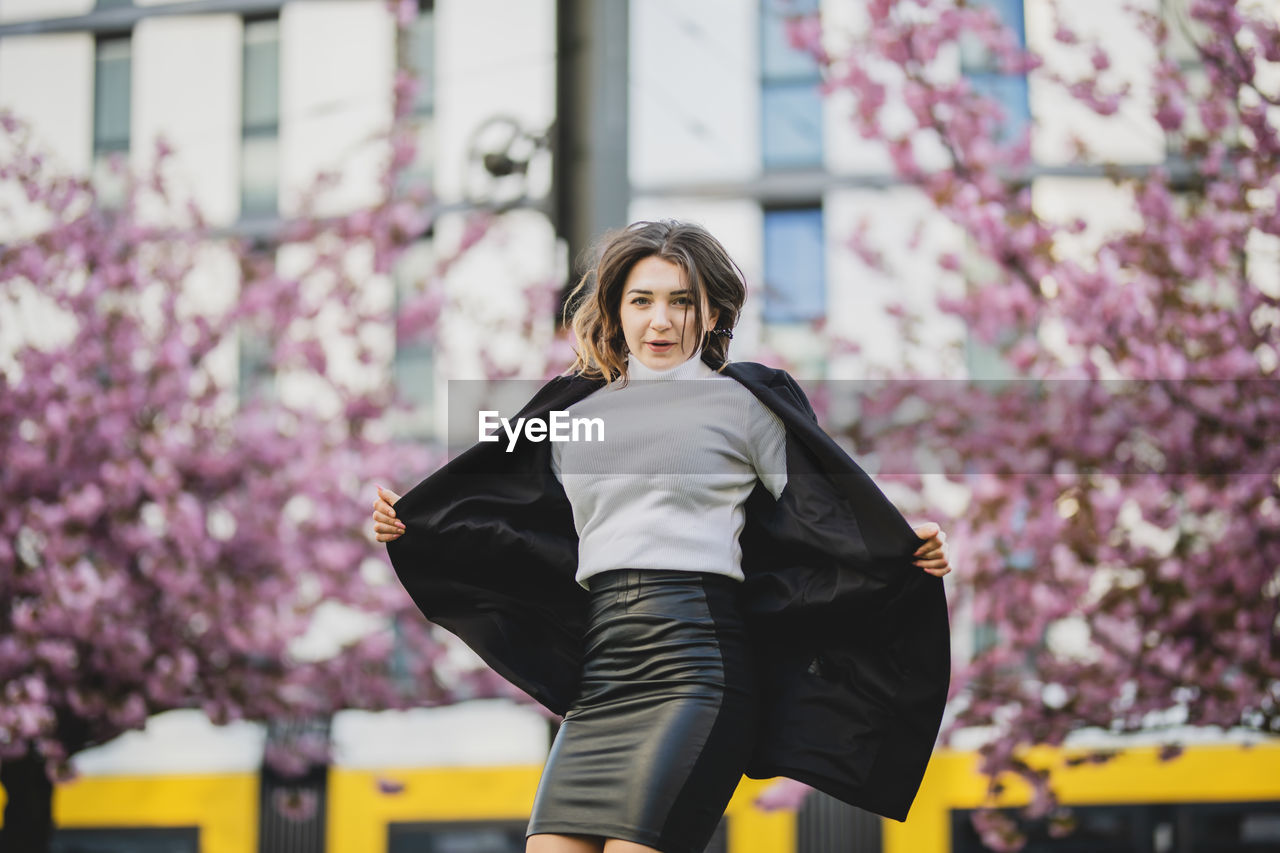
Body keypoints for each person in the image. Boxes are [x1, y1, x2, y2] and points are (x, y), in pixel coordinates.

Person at [372, 220, 952, 853]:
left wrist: (903, 544)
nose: (661, 321)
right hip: (604, 671)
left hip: (698, 664)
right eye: (642, 301)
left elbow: (826, 513)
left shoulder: (743, 404)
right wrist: (417, 524)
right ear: (616, 309)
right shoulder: (573, 414)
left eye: (682, 302)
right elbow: (503, 515)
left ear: (712, 313)